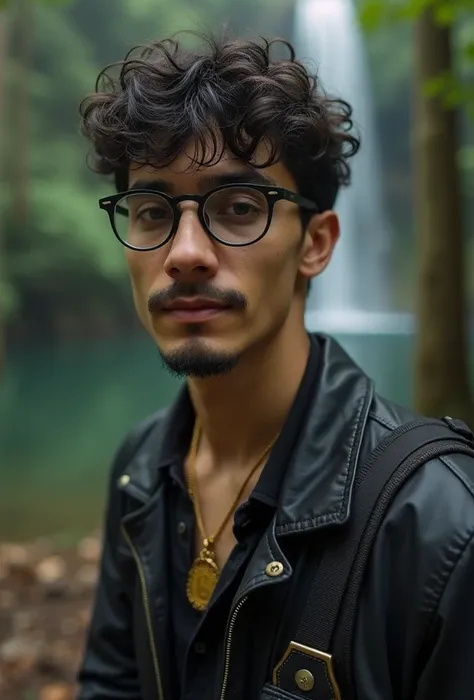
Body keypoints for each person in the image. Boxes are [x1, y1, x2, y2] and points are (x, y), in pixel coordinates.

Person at [76, 34, 474, 700]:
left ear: (315, 244)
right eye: (152, 211)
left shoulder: (442, 526)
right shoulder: (141, 467)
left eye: (238, 207)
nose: (186, 253)